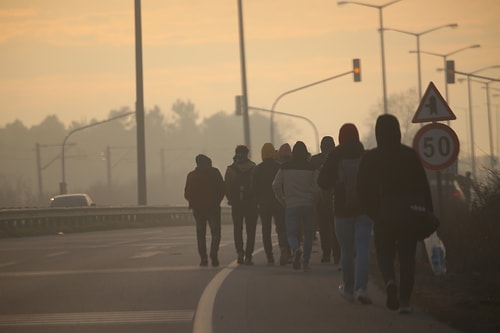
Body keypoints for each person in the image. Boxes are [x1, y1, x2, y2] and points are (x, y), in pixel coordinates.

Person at [357, 114, 434, 314]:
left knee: (384, 252)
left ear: (377, 133)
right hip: (410, 213)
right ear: (398, 131)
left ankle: (390, 281)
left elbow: (362, 188)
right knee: (407, 256)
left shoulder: (371, 157)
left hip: (384, 213)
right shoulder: (409, 155)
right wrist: (428, 212)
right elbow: (423, 186)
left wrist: (372, 211)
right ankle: (405, 301)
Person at [318, 124, 373, 304]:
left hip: (342, 210)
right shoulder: (364, 154)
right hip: (364, 209)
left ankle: (348, 289)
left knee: (347, 250)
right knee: (363, 247)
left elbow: (322, 182)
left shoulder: (335, 155)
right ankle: (362, 288)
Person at [272, 141, 319, 272]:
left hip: (291, 205)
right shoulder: (312, 168)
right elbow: (317, 189)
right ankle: (305, 263)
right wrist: (314, 200)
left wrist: (281, 199)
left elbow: (275, 185)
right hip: (309, 204)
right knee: (309, 234)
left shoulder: (285, 167)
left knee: (291, 233)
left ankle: (295, 249)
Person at [184, 154, 225, 267]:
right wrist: (217, 201)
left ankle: (203, 258)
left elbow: (187, 193)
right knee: (216, 232)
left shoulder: (192, 176)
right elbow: (222, 188)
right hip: (213, 208)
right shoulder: (215, 173)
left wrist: (193, 202)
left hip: (198, 210)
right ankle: (214, 254)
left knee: (200, 233)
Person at [253, 143, 289, 265]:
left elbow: (254, 188)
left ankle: (269, 256)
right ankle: (284, 248)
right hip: (278, 202)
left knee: (266, 229)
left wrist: (257, 202)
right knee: (281, 227)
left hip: (264, 204)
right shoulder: (279, 167)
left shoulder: (257, 169)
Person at [224, 145, 258, 265]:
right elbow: (256, 186)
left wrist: (231, 199)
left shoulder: (230, 169)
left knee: (238, 229)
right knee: (251, 230)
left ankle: (239, 252)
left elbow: (226, 187)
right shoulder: (253, 168)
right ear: (247, 154)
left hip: (237, 204)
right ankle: (249, 256)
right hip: (251, 204)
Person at [311, 136, 340, 264]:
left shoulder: (315, 160)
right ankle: (337, 254)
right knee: (335, 227)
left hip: (320, 199)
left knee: (323, 228)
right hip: (336, 197)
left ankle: (326, 254)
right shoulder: (338, 158)